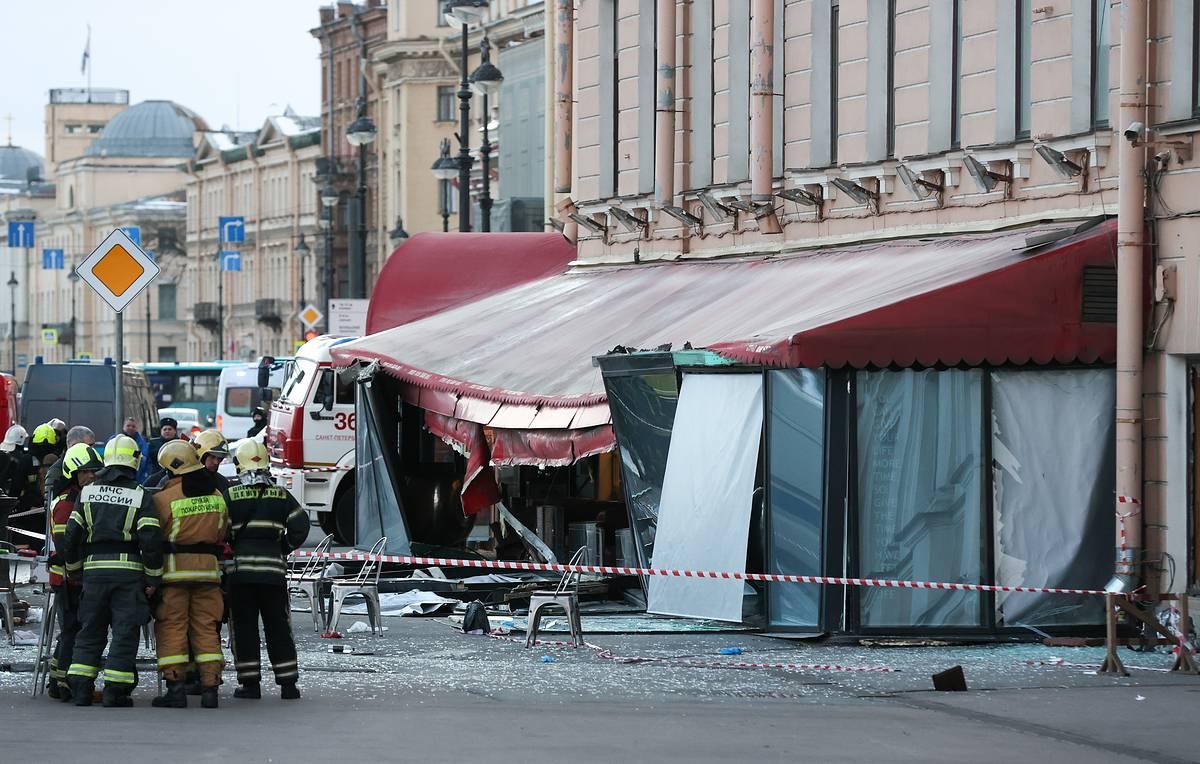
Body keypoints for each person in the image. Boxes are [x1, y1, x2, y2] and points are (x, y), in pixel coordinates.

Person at [62, 435, 163, 707]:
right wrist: (153, 577)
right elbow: (151, 539)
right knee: (124, 632)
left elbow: (71, 537)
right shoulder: (140, 494)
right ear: (134, 460)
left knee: (90, 630)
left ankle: (81, 690)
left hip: (93, 573)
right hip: (129, 574)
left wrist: (74, 572)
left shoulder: (88, 492)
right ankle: (115, 692)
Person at [150, 440, 229, 709]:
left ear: (172, 469)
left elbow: (154, 536)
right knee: (206, 628)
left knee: (173, 627)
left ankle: (175, 688)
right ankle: (210, 689)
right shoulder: (217, 496)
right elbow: (221, 534)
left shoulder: (163, 499)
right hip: (208, 573)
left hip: (174, 575)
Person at [225, 440, 306, 700]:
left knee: (244, 628)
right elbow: (300, 525)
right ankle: (288, 684)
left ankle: (250, 685)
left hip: (240, 575)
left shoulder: (230, 496)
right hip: (273, 574)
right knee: (278, 626)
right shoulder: (281, 495)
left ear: (239, 465)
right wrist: (281, 546)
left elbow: (221, 531)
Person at [45, 443, 103, 702]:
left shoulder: (81, 497)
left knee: (73, 629)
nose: (91, 476)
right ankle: (62, 682)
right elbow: (65, 544)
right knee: (72, 629)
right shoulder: (68, 503)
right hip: (68, 579)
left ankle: (59, 681)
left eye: (94, 471)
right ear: (73, 473)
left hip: (75, 576)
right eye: (86, 472)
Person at [44, 426, 96, 503]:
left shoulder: (95, 465)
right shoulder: (56, 471)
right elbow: (48, 504)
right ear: (73, 445)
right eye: (89, 446)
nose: (92, 449)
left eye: (93, 445)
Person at [121, 418, 151, 484]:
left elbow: (142, 458)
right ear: (123, 427)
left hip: (136, 477)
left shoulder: (142, 443)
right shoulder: (115, 439)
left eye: (133, 426)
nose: (131, 428)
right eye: (128, 426)